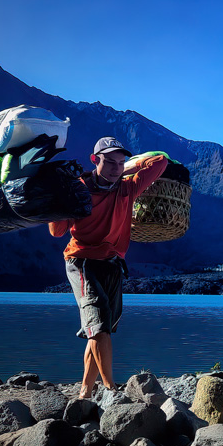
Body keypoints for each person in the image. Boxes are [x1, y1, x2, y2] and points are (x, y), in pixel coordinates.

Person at [49, 137, 167, 399]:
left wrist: (130, 167)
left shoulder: (127, 188)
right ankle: (111, 388)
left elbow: (160, 162)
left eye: (121, 162)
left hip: (112, 263)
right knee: (99, 326)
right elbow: (57, 231)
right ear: (94, 160)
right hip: (82, 261)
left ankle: (85, 391)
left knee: (98, 329)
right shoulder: (77, 190)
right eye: (110, 162)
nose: (116, 168)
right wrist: (59, 199)